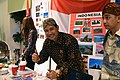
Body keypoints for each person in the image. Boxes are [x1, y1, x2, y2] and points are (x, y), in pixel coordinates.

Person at [101, 2, 120, 79]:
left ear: (118, 18)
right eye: (103, 18)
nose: (104, 21)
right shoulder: (108, 35)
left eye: (108, 17)